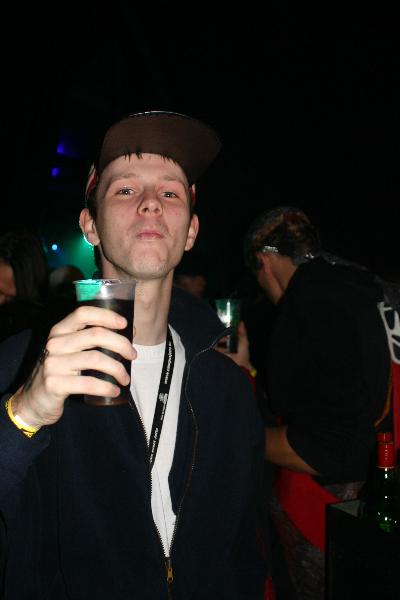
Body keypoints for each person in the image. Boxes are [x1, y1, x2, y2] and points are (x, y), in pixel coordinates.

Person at [0, 111, 267, 599]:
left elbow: (245, 554)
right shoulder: (20, 366)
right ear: (90, 225)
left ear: (191, 230)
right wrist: (24, 415)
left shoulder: (228, 387)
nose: (150, 203)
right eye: (125, 189)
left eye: (170, 192)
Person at [238, 205, 391, 600]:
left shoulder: (306, 303)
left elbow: (328, 446)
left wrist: (238, 432)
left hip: (344, 514)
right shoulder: (369, 284)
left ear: (264, 260)